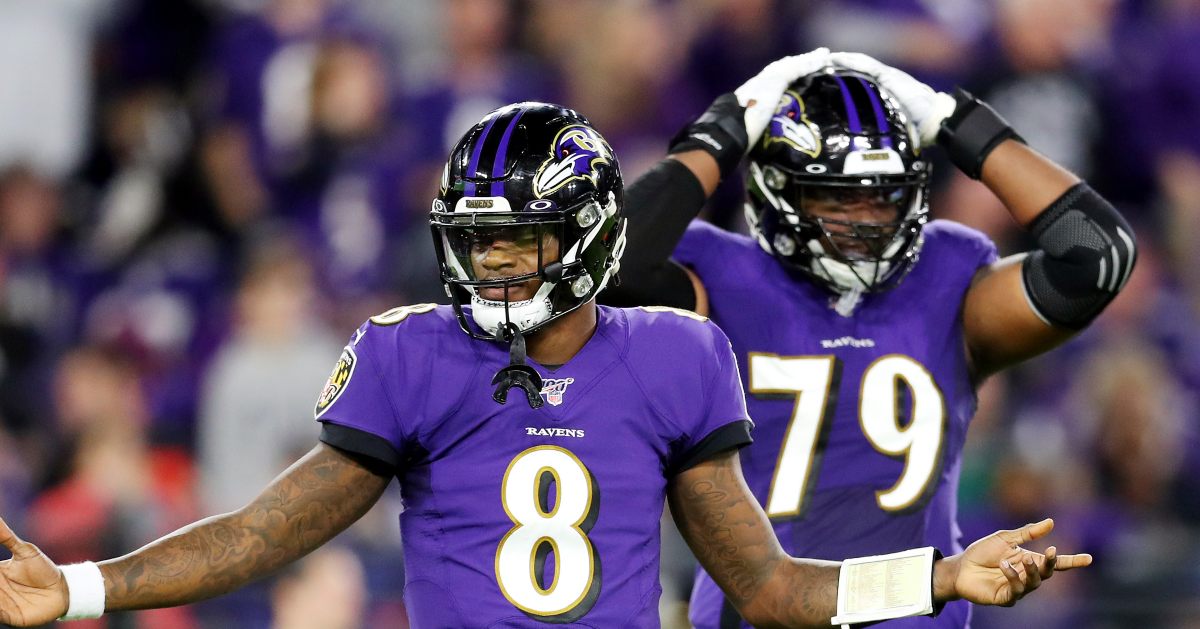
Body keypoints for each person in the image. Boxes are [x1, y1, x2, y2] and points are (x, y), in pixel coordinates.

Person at [0, 100, 1089, 628]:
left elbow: (764, 582)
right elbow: (259, 532)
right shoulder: (409, 349)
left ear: (593, 235)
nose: (493, 261)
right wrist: (82, 588)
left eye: (518, 236)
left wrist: (938, 574)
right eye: (477, 239)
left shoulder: (678, 353)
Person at [607, 50, 1135, 628]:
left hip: (913, 611)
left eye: (881, 196)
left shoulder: (948, 275)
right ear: (777, 190)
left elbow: (1098, 259)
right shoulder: (719, 280)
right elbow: (604, 272)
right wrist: (721, 133)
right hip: (760, 616)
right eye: (837, 197)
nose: (864, 220)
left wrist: (958, 122)